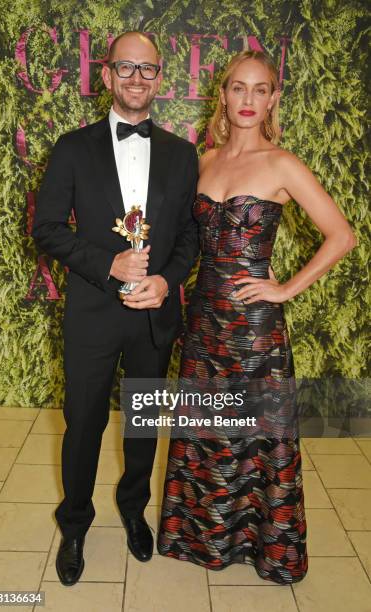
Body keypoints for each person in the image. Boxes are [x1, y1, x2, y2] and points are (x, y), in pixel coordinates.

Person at [157, 49, 357, 584]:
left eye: (260, 89)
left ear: (272, 99)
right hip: (204, 318)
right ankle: (203, 538)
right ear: (222, 96)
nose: (248, 99)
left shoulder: (282, 163)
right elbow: (184, 243)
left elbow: (343, 236)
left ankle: (263, 546)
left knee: (259, 436)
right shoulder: (202, 161)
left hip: (255, 326)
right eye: (238, 88)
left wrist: (286, 287)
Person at [32, 31, 199, 586]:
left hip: (154, 317)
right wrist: (109, 266)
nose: (135, 78)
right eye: (124, 68)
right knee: (83, 424)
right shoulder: (72, 148)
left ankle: (133, 509)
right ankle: (75, 522)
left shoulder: (182, 154)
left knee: (144, 423)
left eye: (146, 69)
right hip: (91, 315)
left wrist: (165, 280)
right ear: (105, 76)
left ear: (160, 78)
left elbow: (189, 241)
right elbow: (48, 229)